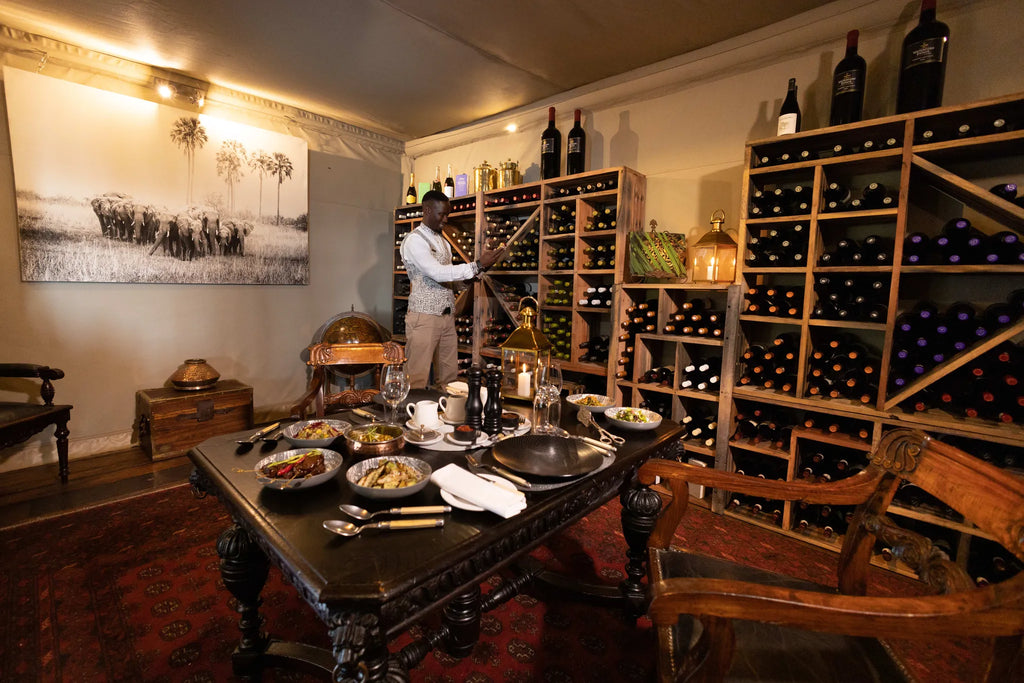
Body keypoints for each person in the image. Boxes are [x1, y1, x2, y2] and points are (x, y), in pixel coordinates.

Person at [400, 189, 501, 389]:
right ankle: (410, 419)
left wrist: (471, 278)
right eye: (441, 214)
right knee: (417, 378)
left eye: (448, 214)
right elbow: (436, 272)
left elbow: (448, 279)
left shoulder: (444, 242)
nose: (445, 219)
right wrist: (477, 265)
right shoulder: (414, 240)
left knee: (449, 380)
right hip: (424, 316)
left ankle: (446, 418)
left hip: (447, 317)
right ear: (427, 210)